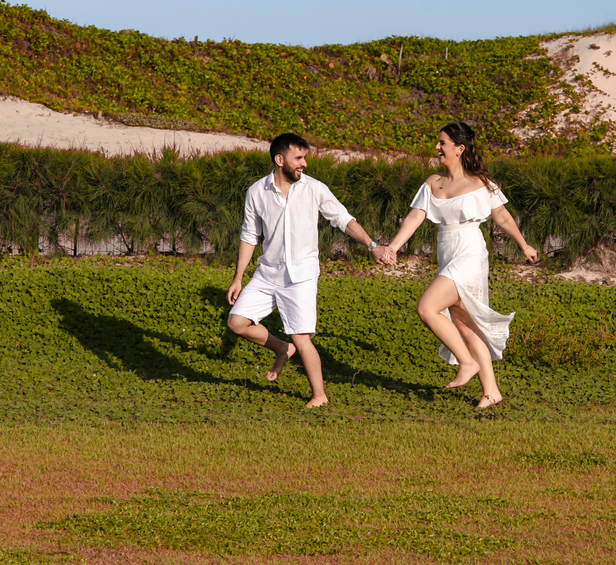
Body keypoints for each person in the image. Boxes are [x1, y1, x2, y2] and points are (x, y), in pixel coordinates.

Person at [378, 121, 537, 409]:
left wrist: (523, 244)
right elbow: (415, 217)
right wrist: (392, 247)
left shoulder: (481, 183)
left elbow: (502, 217)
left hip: (470, 252)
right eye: (438, 143)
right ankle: (491, 391)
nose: (437, 148)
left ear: (459, 148)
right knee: (465, 324)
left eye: (443, 143)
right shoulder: (432, 182)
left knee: (427, 308)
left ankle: (466, 362)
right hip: (446, 251)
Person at [227, 132, 387, 408]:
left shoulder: (315, 188)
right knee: (236, 323)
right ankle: (281, 348)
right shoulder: (256, 192)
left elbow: (343, 219)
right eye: (298, 158)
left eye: (305, 157)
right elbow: (249, 236)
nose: (304, 164)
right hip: (267, 274)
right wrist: (238, 278)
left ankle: (319, 396)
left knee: (301, 338)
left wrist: (372, 245)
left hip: (301, 276)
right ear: (279, 159)